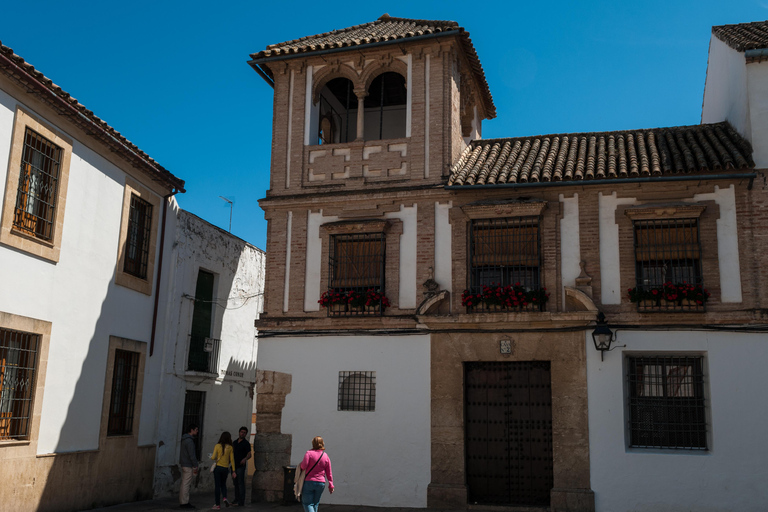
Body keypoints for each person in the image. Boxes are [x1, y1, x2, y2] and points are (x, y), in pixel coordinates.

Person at [299, 436, 334, 512]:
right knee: (315, 503)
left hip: (309, 481)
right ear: (322, 443)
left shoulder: (309, 453)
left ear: (313, 444)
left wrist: (300, 465)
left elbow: (303, 466)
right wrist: (331, 484)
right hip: (321, 483)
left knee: (307, 504)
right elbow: (329, 472)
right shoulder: (325, 456)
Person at [210, 431, 237, 509]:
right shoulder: (230, 447)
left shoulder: (217, 446)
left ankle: (217, 504)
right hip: (225, 469)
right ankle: (225, 497)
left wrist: (212, 457)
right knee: (223, 484)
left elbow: (213, 457)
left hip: (218, 468)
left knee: (217, 486)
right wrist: (234, 470)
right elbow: (232, 460)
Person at [179, 424, 199, 509]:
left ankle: (183, 501)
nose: (197, 431)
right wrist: (195, 465)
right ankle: (184, 502)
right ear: (192, 430)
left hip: (184, 463)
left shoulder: (184, 440)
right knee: (186, 484)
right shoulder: (189, 441)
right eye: (196, 429)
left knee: (184, 484)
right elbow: (192, 455)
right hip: (188, 465)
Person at [231, 427, 252, 506]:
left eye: (244, 432)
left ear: (246, 434)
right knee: (235, 483)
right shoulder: (235, 442)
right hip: (234, 466)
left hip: (240, 466)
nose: (242, 433)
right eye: (241, 432)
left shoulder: (246, 443)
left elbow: (249, 454)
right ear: (239, 432)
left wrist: (245, 459)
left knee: (240, 483)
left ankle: (241, 500)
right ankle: (236, 499)